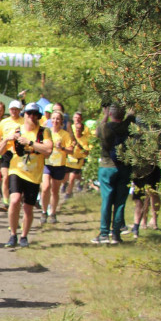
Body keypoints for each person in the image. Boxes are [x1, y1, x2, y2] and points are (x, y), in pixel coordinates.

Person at [2, 102, 53, 248]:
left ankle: (24, 236)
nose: (32, 117)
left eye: (35, 114)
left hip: (34, 174)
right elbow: (0, 150)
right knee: (14, 200)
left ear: (38, 116)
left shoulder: (44, 132)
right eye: (29, 113)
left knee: (28, 207)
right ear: (24, 115)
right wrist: (7, 139)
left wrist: (30, 142)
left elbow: (48, 150)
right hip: (16, 170)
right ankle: (12, 234)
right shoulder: (17, 130)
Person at [92, 103, 135, 245]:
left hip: (107, 167)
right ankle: (116, 235)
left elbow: (97, 132)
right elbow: (132, 113)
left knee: (107, 201)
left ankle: (104, 234)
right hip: (125, 167)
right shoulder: (128, 126)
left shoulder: (105, 127)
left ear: (110, 114)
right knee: (120, 203)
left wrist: (104, 115)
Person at [41, 109, 73, 224]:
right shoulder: (46, 132)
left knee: (55, 190)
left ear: (62, 121)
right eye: (53, 118)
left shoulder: (65, 135)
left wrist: (62, 148)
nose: (55, 120)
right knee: (45, 188)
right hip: (47, 163)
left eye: (58, 119)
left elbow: (71, 151)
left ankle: (53, 213)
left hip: (59, 165)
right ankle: (44, 211)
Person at [0, 99, 24, 211]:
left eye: (16, 109)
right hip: (7, 152)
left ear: (19, 110)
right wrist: (3, 142)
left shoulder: (24, 121)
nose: (14, 111)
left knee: (18, 178)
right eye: (12, 109)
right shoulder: (4, 122)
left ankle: (17, 198)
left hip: (19, 153)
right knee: (5, 176)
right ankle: (6, 202)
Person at [63, 111, 92, 197]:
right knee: (65, 177)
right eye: (77, 129)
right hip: (69, 160)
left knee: (72, 178)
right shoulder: (71, 133)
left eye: (80, 129)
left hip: (77, 162)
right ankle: (65, 184)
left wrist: (80, 148)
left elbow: (86, 152)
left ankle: (68, 193)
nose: (78, 130)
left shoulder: (85, 139)